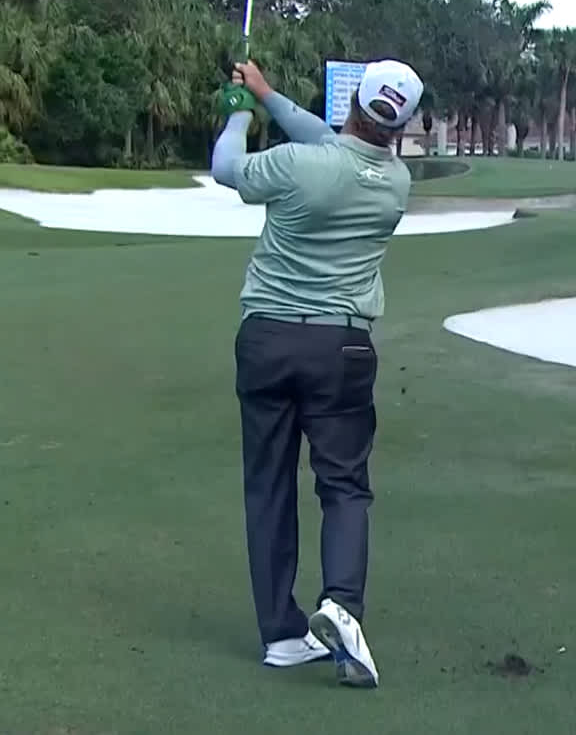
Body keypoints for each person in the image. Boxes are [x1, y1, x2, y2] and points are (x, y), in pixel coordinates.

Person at [209, 57, 423, 689]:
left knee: (269, 487)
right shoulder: (395, 183)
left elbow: (226, 169)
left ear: (353, 101)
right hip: (343, 349)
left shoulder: (299, 166)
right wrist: (268, 93)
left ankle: (281, 635)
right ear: (405, 125)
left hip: (268, 339)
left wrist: (239, 113)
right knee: (344, 486)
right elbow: (332, 145)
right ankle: (342, 607)